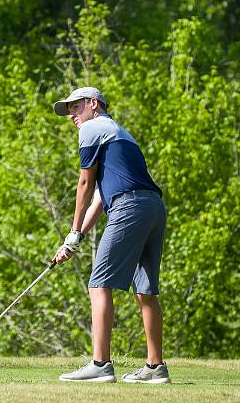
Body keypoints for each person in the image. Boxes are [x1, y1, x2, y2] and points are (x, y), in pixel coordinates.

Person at [51, 86, 170, 384]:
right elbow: (100, 199)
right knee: (145, 291)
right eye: (69, 111)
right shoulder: (120, 134)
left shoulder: (92, 128)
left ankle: (100, 364)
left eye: (76, 107)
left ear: (94, 104)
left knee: (98, 283)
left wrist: (74, 229)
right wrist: (73, 239)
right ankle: (156, 368)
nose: (72, 116)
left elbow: (84, 183)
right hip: (153, 208)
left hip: (129, 207)